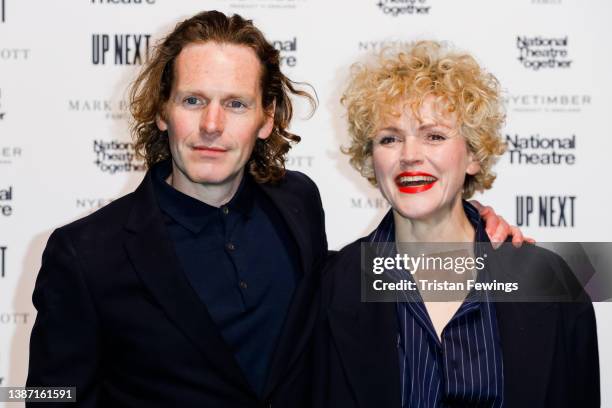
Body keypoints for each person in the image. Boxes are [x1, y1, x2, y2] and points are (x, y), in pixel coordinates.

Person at [26, 11, 523, 407]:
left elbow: (376, 275)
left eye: (236, 104)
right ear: (162, 112)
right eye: (193, 100)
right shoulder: (84, 254)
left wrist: (472, 222)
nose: (213, 125)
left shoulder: (297, 203)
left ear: (267, 118)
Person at [314, 41, 599, 408]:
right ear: (371, 159)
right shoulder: (333, 286)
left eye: (434, 136)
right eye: (390, 138)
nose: (410, 155)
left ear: (473, 156)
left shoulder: (547, 282)